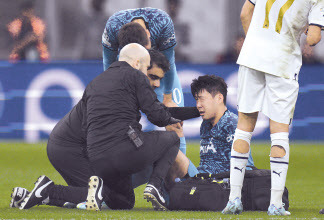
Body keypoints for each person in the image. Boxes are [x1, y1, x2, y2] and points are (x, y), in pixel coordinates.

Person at [13, 44, 197, 211]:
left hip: (89, 146)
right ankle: (155, 186)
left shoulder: (104, 82)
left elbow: (159, 111)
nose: (156, 84)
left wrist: (196, 112)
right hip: (71, 147)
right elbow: (159, 116)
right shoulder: (133, 79)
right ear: (138, 65)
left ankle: (42, 194)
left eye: (159, 80)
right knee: (169, 140)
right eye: (152, 76)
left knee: (118, 201)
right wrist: (196, 113)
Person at [222, 0, 324, 216]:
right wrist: (310, 29)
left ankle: (233, 200)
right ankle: (275, 203)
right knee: (278, 132)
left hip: (251, 57)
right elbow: (313, 38)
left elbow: (244, 13)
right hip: (282, 61)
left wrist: (256, 45)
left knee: (243, 127)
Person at [102, 8, 189, 161]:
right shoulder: (113, 27)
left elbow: (169, 63)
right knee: (122, 126)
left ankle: (180, 180)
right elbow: (109, 64)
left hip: (158, 74)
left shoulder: (162, 23)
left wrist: (168, 97)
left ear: (149, 34)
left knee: (174, 124)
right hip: (128, 76)